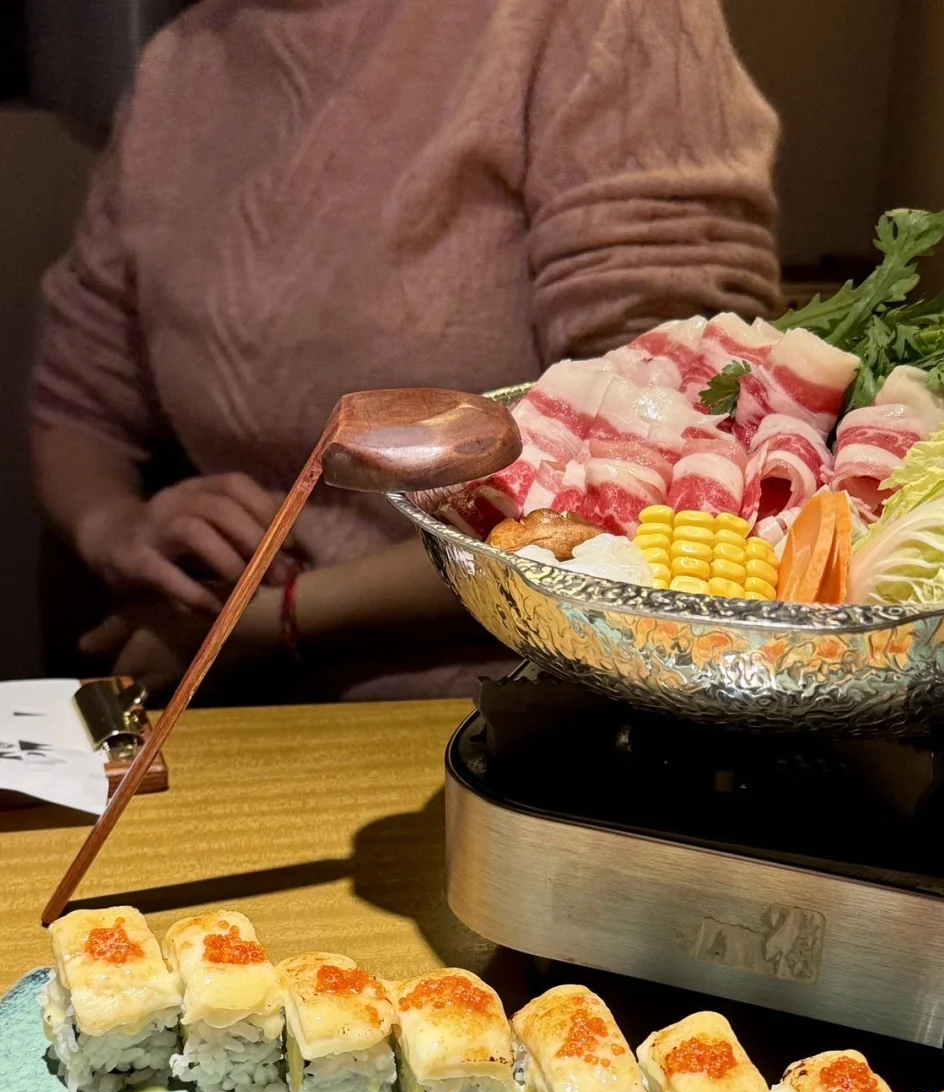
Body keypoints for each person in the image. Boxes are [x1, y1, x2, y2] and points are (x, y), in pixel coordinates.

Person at [30, 0, 780, 702]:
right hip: (242, 686)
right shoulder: (181, 63)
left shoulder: (591, 18)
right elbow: (79, 400)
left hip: (516, 700)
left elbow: (665, 435)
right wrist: (112, 528)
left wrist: (280, 618)